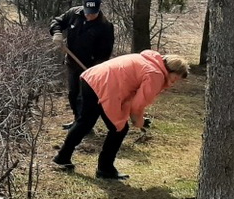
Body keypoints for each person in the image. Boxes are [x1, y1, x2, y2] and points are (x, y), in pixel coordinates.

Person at [52, 51, 190, 180]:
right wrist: (139, 121)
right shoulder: (156, 74)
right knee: (119, 129)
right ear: (171, 70)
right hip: (105, 86)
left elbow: (130, 95)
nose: (173, 83)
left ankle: (62, 157)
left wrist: (136, 116)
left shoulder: (147, 60)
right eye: (175, 78)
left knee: (85, 121)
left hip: (91, 78)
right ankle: (105, 169)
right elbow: (137, 106)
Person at [49, 0, 115, 128]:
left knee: (85, 98)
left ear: (99, 9)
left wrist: (94, 70)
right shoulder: (74, 13)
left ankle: (83, 126)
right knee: (73, 95)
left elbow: (105, 53)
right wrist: (56, 33)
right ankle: (77, 121)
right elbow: (57, 21)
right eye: (87, 12)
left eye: (93, 13)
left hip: (91, 69)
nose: (89, 15)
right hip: (72, 64)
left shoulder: (105, 26)